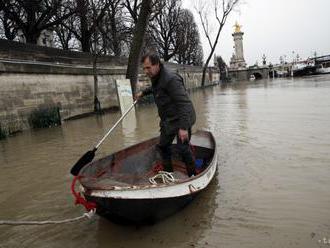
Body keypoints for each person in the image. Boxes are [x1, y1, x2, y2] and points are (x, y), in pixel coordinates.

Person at [135, 51, 196, 177]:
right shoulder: (156, 77)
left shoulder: (171, 79)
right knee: (163, 147)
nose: (146, 71)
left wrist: (184, 128)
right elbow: (156, 88)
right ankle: (169, 175)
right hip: (168, 120)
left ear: (157, 64)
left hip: (181, 118)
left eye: (148, 67)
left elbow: (183, 104)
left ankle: (193, 175)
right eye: (144, 68)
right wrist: (143, 93)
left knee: (183, 149)